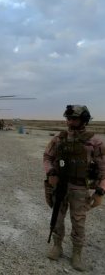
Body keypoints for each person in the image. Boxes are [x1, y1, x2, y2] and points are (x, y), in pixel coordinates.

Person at [43, 105, 105, 271]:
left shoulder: (94, 142)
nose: (70, 121)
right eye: (68, 118)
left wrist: (100, 190)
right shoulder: (59, 139)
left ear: (83, 119)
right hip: (61, 185)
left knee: (78, 221)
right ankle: (57, 245)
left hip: (80, 188)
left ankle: (77, 253)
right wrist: (51, 172)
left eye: (74, 118)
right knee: (57, 216)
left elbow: (103, 168)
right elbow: (48, 157)